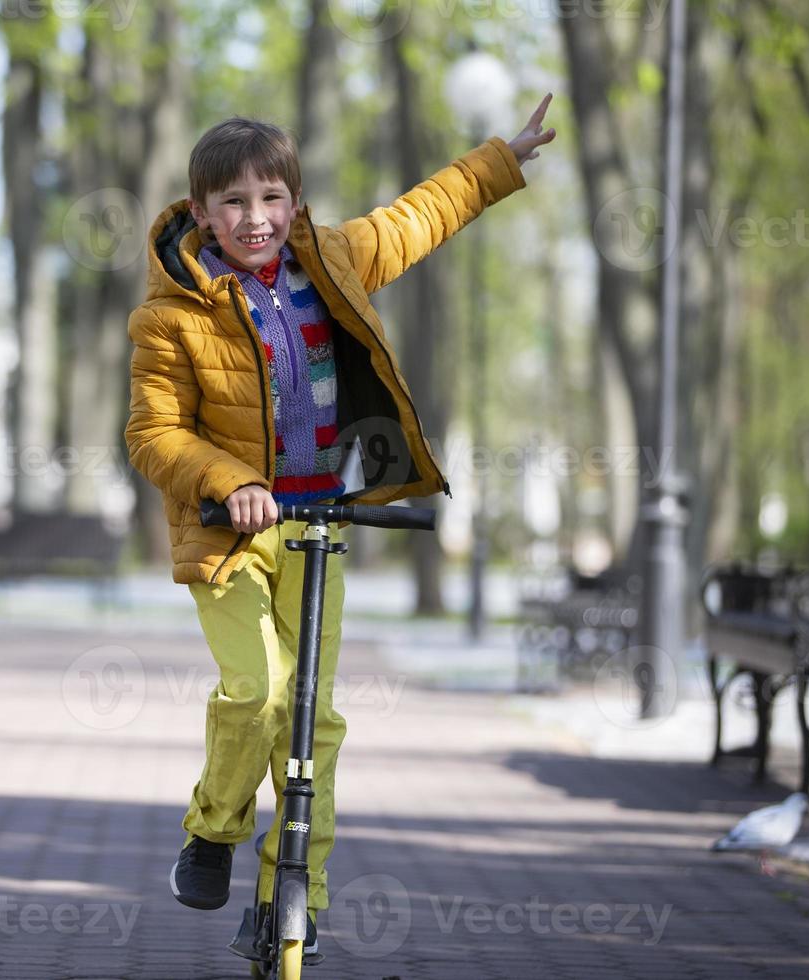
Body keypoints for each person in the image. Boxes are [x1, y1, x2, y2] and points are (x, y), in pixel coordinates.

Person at [123, 97, 556, 955]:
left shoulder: (332, 262)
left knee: (313, 725)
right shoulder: (169, 317)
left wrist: (499, 159)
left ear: (294, 201)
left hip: (317, 526)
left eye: (272, 198)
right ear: (202, 213)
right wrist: (231, 479)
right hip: (228, 535)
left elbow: (416, 218)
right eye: (236, 203)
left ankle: (299, 895)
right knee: (257, 692)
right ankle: (213, 832)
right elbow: (153, 433)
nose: (257, 219)